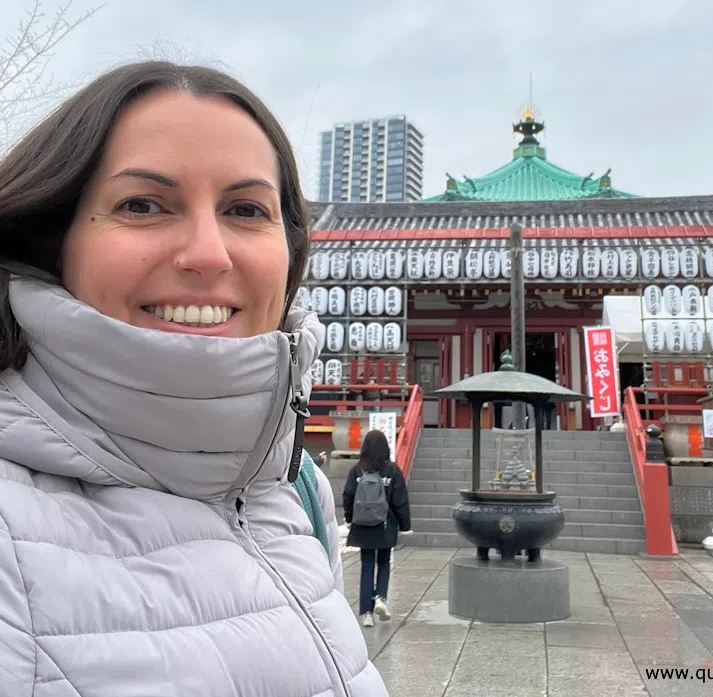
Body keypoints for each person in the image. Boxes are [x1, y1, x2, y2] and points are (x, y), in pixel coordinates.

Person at [0, 61, 387, 696]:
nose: (209, 253)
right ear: (53, 238)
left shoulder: (295, 495)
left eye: (245, 209)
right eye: (143, 204)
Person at [343, 429, 411, 628]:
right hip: (385, 524)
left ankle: (366, 613)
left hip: (362, 525)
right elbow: (400, 500)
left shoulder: (357, 470)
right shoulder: (391, 470)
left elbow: (348, 496)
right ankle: (380, 597)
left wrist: (349, 519)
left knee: (366, 565)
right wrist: (405, 525)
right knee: (383, 562)